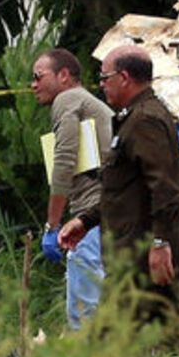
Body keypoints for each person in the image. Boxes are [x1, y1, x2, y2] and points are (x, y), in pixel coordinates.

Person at [58, 45, 179, 335]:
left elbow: (165, 188)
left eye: (104, 77)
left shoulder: (145, 121)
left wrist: (160, 244)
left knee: (112, 342)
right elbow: (124, 191)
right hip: (137, 257)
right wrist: (86, 221)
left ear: (124, 77)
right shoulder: (135, 118)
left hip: (144, 259)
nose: (101, 85)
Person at [31, 47, 113, 331]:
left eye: (38, 76)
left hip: (93, 212)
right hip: (109, 210)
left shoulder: (67, 99)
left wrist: (52, 225)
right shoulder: (87, 102)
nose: (33, 84)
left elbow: (64, 159)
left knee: (84, 310)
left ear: (63, 75)